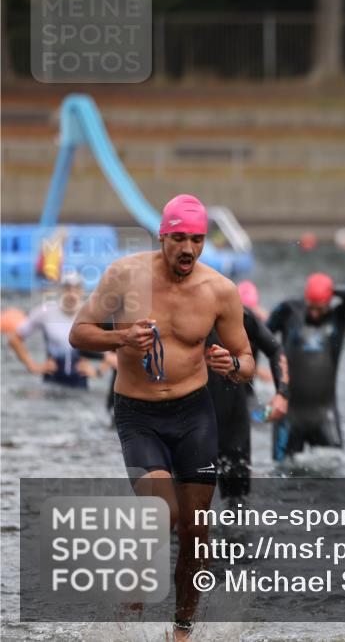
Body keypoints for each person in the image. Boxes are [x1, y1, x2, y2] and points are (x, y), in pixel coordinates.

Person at [68, 194, 255, 640]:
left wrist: (231, 366)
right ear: (163, 237)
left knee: (195, 528)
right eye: (178, 238)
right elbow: (79, 332)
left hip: (194, 413)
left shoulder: (220, 291)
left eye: (196, 239)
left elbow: (246, 359)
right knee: (160, 514)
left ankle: (181, 631)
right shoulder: (125, 275)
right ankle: (126, 610)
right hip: (138, 415)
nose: (187, 248)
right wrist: (121, 339)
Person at [267, 273, 345, 461]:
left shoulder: (339, 317)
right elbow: (260, 336)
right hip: (290, 415)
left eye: (320, 308)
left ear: (329, 302)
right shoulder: (289, 310)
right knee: (281, 473)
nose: (315, 313)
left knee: (334, 469)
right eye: (311, 307)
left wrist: (329, 289)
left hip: (324, 414)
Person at [206, 299, 289, 506]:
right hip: (192, 421)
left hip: (234, 422)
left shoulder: (237, 312)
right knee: (185, 509)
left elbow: (275, 349)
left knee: (238, 504)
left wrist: (282, 394)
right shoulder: (177, 313)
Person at [8, 272, 100, 388]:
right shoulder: (46, 312)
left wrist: (98, 371)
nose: (71, 294)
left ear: (82, 291)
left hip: (80, 386)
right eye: (67, 288)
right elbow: (14, 338)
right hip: (51, 384)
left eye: (76, 288)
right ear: (60, 290)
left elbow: (117, 344)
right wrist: (33, 366)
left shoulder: (92, 315)